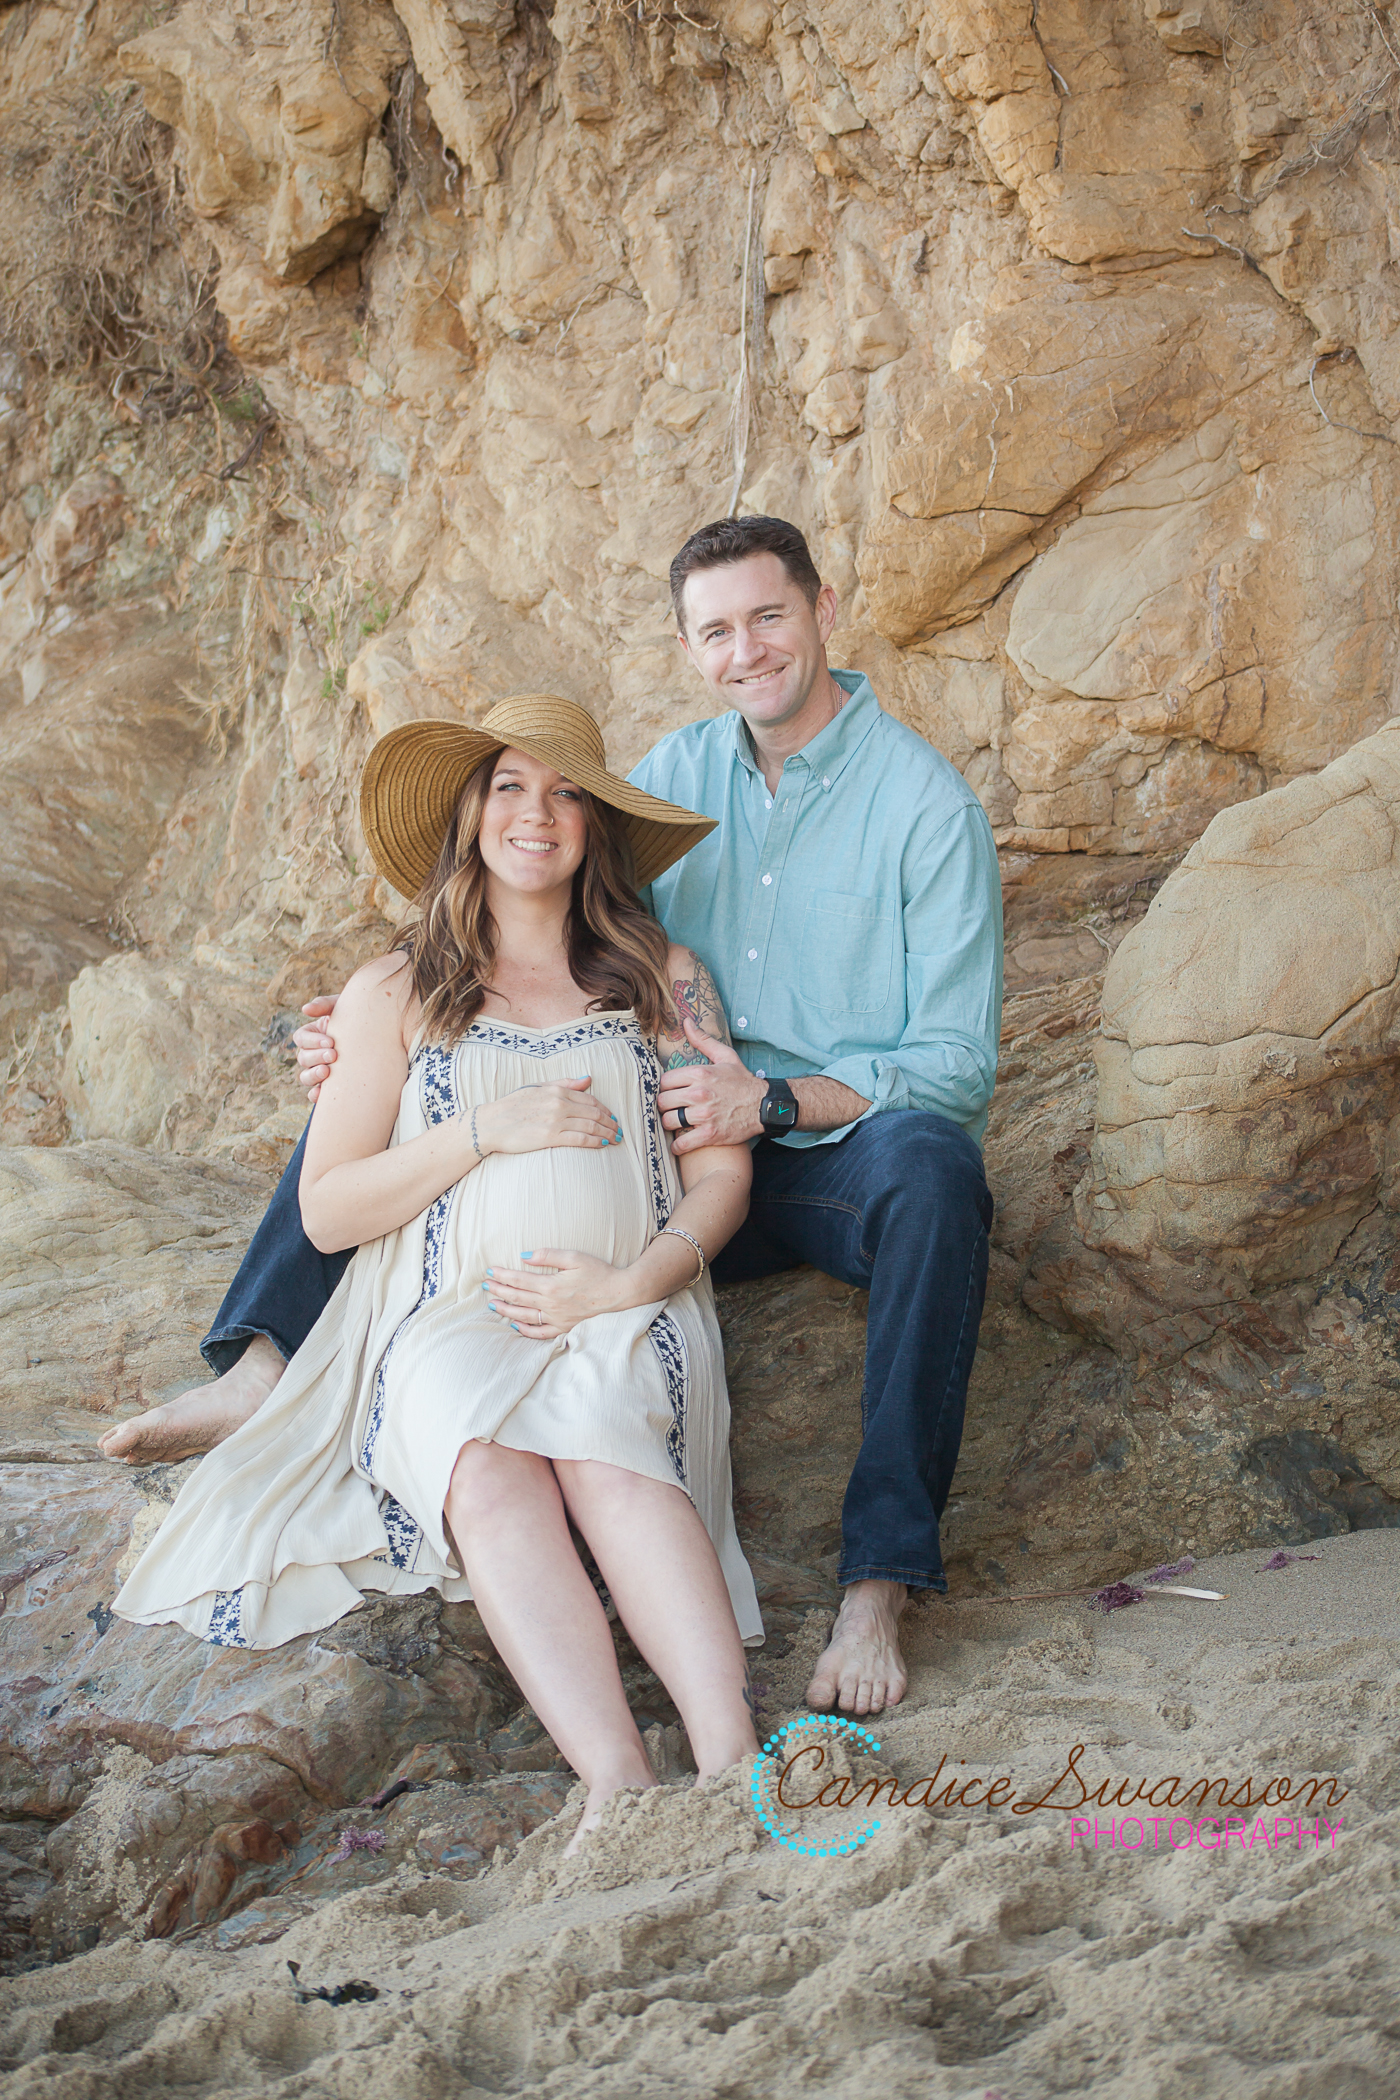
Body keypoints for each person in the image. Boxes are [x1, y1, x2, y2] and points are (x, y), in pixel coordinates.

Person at [104, 516, 1002, 1719]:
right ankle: (267, 1361)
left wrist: (769, 1097)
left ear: (823, 610)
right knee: (382, 1086)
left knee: (935, 1172)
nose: (748, 650)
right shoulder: (671, 777)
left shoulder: (922, 808)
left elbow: (951, 1063)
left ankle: (877, 1583)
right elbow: (535, 929)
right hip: (649, 1139)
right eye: (717, 630)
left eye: (769, 616)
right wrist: (362, 1034)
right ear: (690, 647)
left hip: (813, 1147)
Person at [114, 697, 764, 1846]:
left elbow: (719, 1179)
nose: (537, 813)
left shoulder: (659, 974)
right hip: (451, 1310)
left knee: (611, 1445)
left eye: (566, 793)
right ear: (469, 816)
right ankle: (617, 1782)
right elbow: (325, 1210)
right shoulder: (396, 990)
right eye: (510, 787)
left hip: (621, 1293)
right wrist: (484, 1132)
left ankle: (732, 1759)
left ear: (594, 828)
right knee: (479, 1455)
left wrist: (631, 1286)